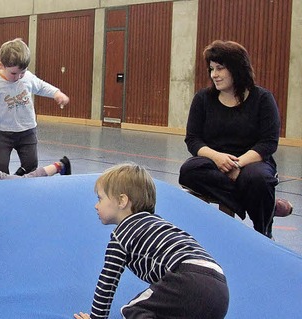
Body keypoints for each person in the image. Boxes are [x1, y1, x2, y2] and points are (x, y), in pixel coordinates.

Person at [74, 163, 229, 319]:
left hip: (189, 279)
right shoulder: (158, 224)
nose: (96, 205)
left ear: (122, 201)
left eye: (100, 198)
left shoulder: (122, 235)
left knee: (132, 311)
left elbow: (107, 284)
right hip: (220, 288)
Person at [178, 40, 293, 238]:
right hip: (214, 161)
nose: (214, 74)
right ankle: (267, 204)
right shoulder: (203, 99)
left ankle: (263, 232)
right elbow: (193, 140)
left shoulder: (263, 99)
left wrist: (236, 165)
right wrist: (217, 157)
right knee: (189, 171)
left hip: (252, 161)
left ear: (237, 68)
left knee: (258, 179)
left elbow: (268, 142)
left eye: (220, 68)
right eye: (212, 68)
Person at [0, 38, 70, 176]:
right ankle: (5, 185)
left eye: (22, 72)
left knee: (31, 164)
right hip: (1, 133)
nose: (19, 77)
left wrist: (56, 93)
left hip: (27, 131)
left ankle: (16, 181)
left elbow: (41, 86)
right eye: (14, 73)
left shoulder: (27, 78)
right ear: (1, 65)